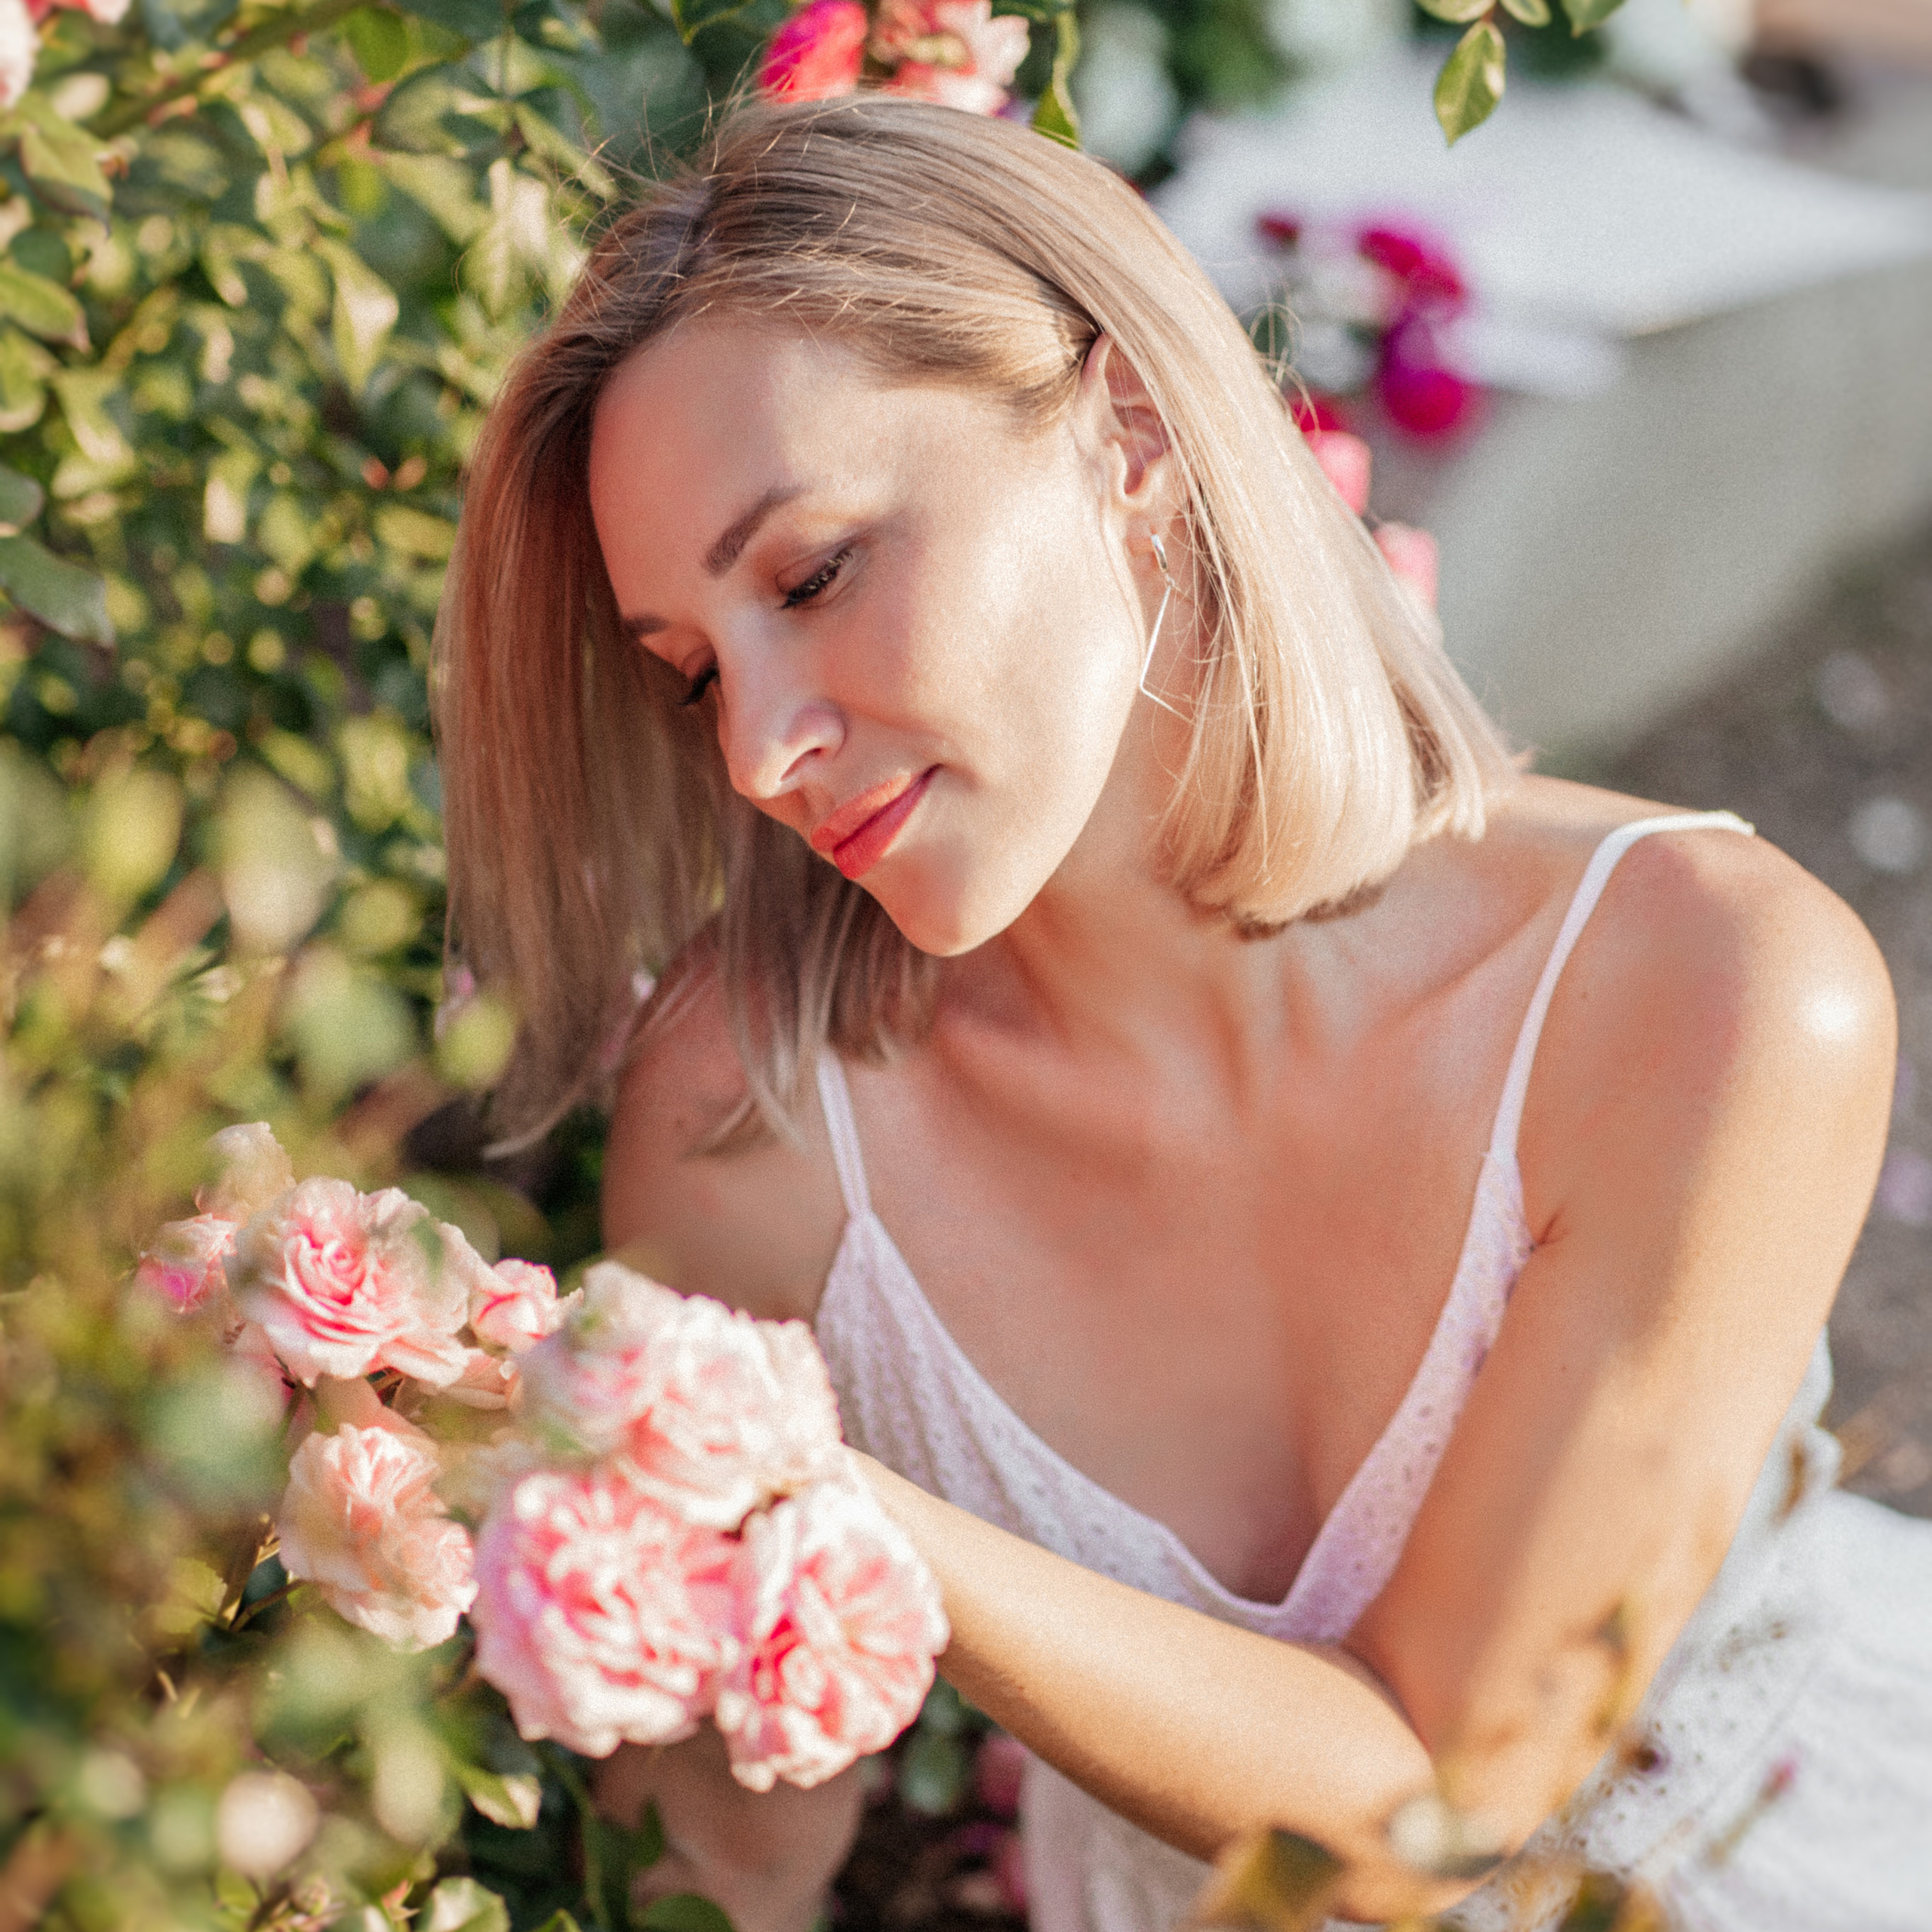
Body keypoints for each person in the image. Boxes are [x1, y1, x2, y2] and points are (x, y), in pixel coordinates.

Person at [432, 96, 1932, 1932]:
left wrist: (833, 1498)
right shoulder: (759, 1135)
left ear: (1127, 427)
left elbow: (1433, 1804)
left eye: (813, 575)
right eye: (688, 677)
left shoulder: (1705, 990)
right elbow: (722, 1859)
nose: (757, 751)